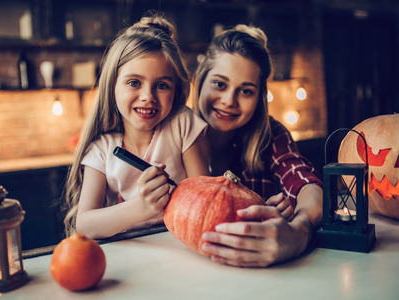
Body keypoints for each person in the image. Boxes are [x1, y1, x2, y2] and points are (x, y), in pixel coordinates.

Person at [63, 14, 209, 239]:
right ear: (112, 85)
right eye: (134, 83)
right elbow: (84, 224)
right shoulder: (101, 150)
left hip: (182, 247)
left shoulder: (183, 123)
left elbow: (206, 201)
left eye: (161, 85)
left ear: (176, 90)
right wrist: (142, 207)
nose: (147, 97)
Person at [190, 25, 323, 267]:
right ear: (200, 81)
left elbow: (307, 184)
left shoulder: (272, 135)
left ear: (259, 97)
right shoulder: (172, 131)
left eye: (246, 91)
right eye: (220, 84)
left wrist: (299, 231)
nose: (229, 101)